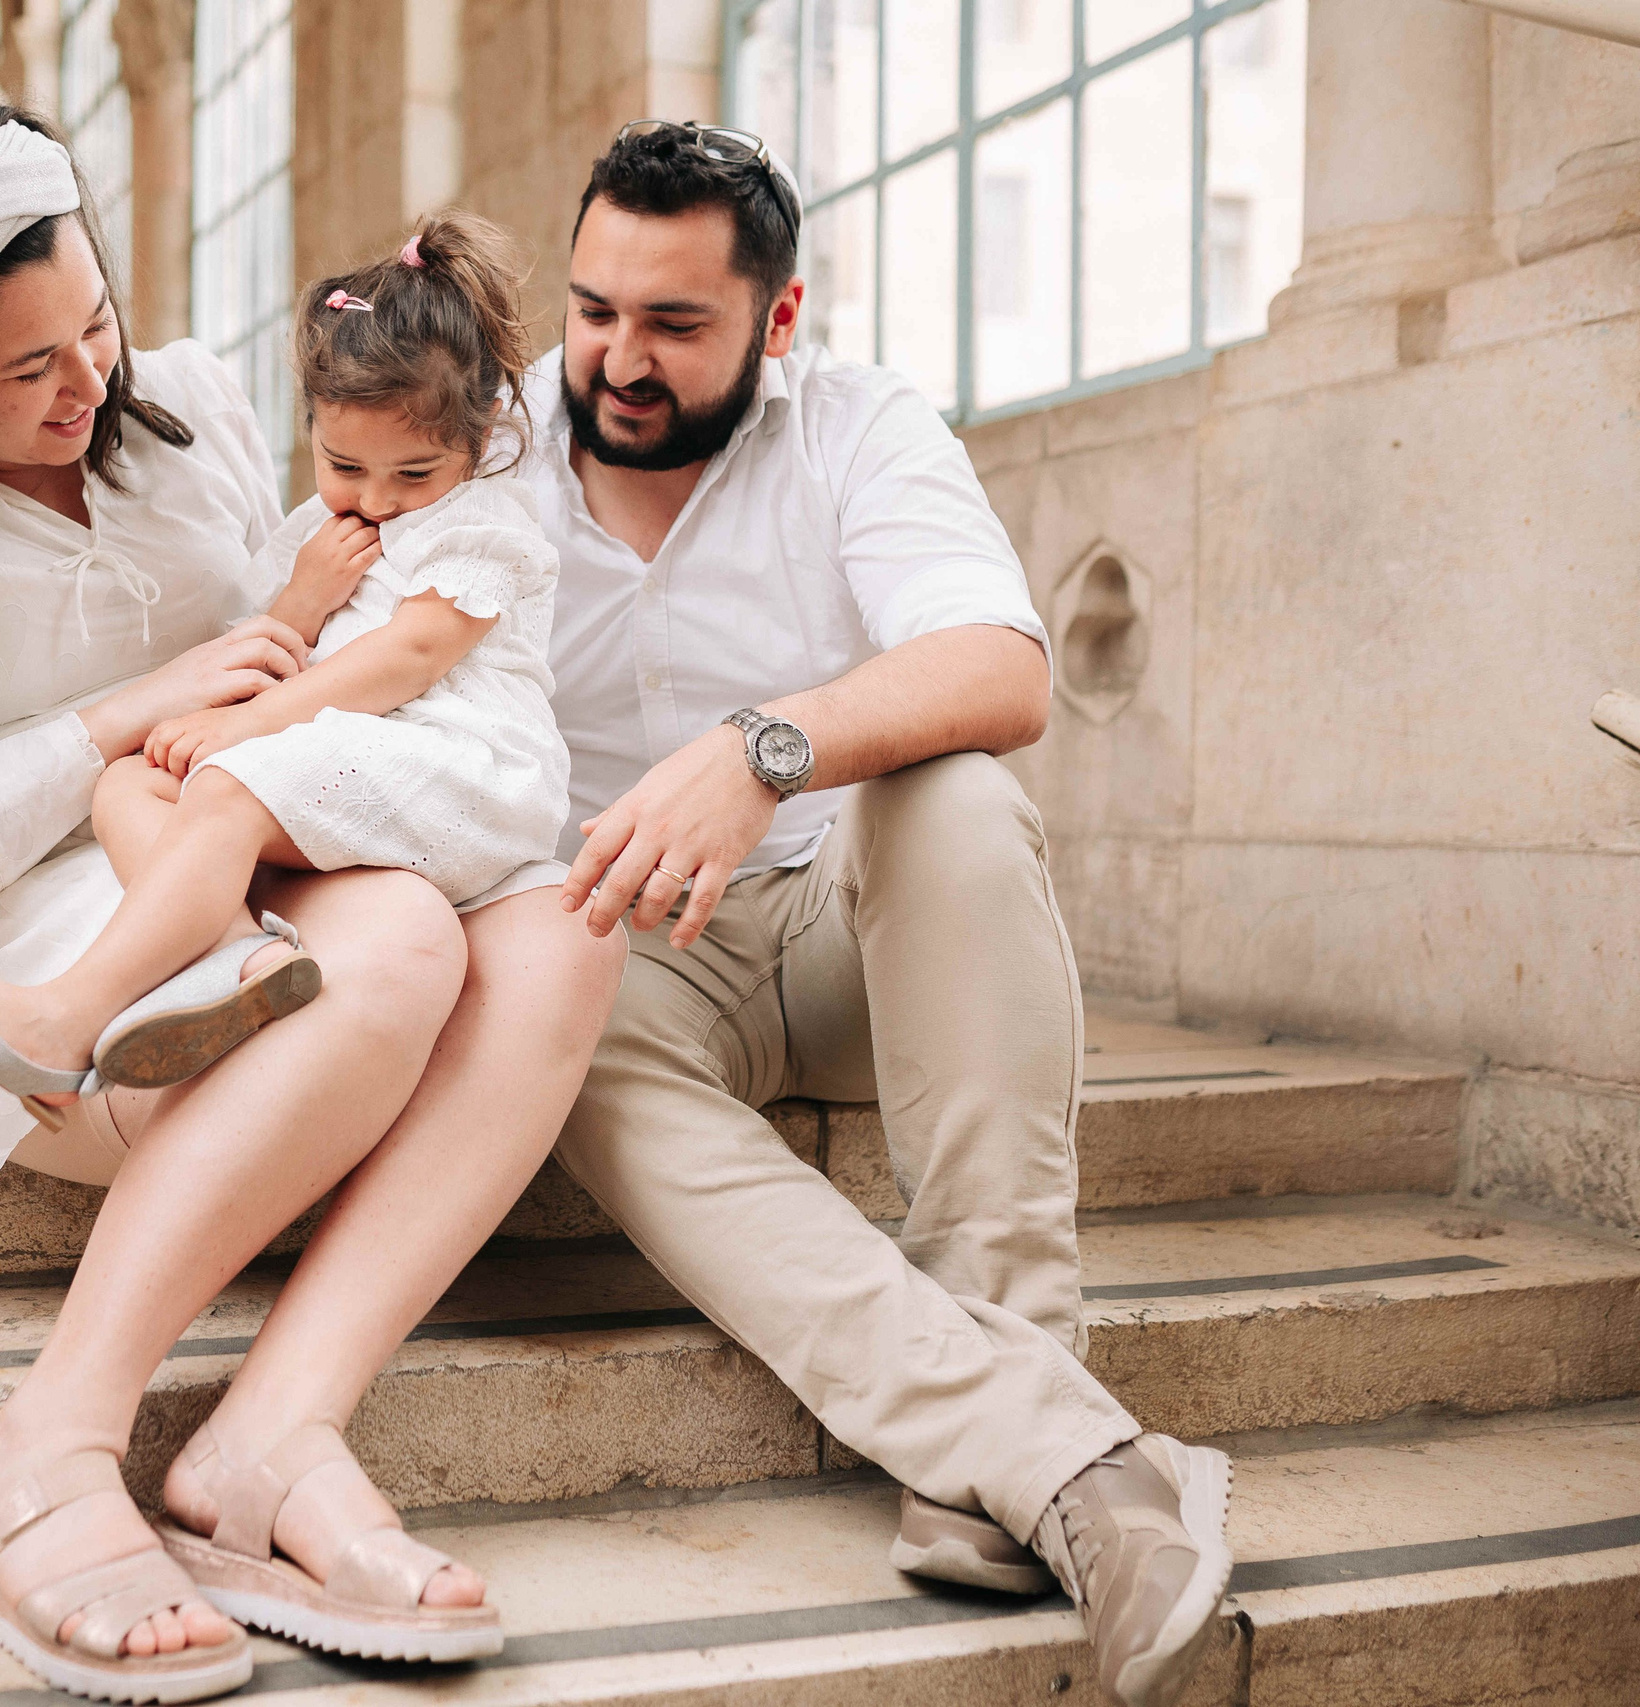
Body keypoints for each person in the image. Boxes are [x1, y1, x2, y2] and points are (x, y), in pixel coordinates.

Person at [0, 109, 624, 1703]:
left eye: (96, 322)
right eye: (30, 365)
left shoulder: (182, 406)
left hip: (246, 838)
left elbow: (296, 614)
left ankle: (272, 1431)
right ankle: (38, 1453)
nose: (91, 381)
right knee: (393, 940)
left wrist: (278, 666)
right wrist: (124, 716)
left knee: (557, 925)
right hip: (15, 928)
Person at [531, 122, 1234, 1707]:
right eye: (594, 310)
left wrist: (762, 747)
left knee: (960, 788)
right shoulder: (491, 453)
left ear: (779, 321)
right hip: (637, 964)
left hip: (860, 940)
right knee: (541, 1012)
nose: (619, 361)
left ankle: (1002, 1363)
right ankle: (1054, 1456)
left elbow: (1003, 670)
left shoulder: (860, 425)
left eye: (676, 324)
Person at [0, 214, 569, 1113]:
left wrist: (241, 727)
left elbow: (406, 660)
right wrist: (301, 599)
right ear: (313, 426)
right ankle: (235, 960)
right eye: (345, 465)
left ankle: (67, 1019)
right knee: (127, 788)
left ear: (481, 430)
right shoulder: (323, 528)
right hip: (355, 754)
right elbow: (263, 636)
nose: (376, 500)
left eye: (413, 475)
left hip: (460, 765)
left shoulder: (483, 526)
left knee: (220, 788)